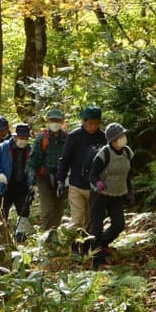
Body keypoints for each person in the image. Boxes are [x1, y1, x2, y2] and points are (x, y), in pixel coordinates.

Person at [56, 106, 107, 258]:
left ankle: (85, 248)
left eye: (96, 123)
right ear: (84, 122)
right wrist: (60, 180)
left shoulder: (103, 138)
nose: (92, 126)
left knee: (91, 220)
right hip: (76, 185)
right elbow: (64, 160)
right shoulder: (74, 137)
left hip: (95, 187)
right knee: (77, 219)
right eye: (90, 123)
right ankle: (74, 249)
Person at [87, 123, 136, 268]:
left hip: (117, 194)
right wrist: (98, 184)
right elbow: (92, 175)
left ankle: (99, 246)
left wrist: (130, 191)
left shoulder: (127, 152)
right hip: (100, 195)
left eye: (123, 135)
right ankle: (97, 261)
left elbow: (126, 174)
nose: (123, 138)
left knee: (118, 225)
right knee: (97, 227)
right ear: (113, 140)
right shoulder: (104, 154)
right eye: (120, 136)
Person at [28, 107, 68, 232]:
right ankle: (45, 239)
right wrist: (31, 181)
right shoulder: (42, 138)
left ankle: (54, 239)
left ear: (62, 122)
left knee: (58, 210)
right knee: (47, 211)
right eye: (52, 120)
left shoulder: (67, 138)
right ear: (48, 122)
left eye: (57, 120)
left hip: (62, 179)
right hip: (44, 178)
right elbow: (33, 160)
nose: (54, 123)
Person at [0, 123, 34, 235]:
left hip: (22, 187)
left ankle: (21, 236)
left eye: (26, 138)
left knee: (24, 211)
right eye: (21, 137)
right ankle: (1, 235)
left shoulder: (30, 150)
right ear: (15, 137)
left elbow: (33, 167)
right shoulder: (2, 148)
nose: (23, 140)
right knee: (2, 213)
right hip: (5, 186)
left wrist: (33, 183)